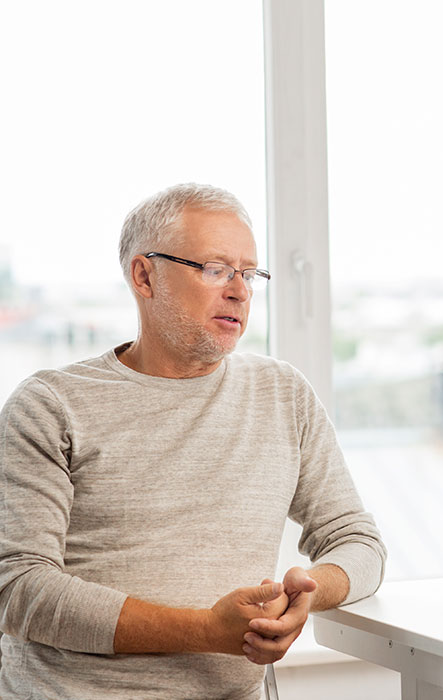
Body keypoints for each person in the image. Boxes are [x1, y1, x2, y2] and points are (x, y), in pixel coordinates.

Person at [0, 183, 387, 699]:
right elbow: (19, 587)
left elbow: (357, 541)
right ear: (144, 276)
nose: (240, 290)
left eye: (249, 273)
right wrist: (204, 630)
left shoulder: (283, 393)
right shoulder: (51, 404)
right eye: (216, 269)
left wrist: (307, 593)